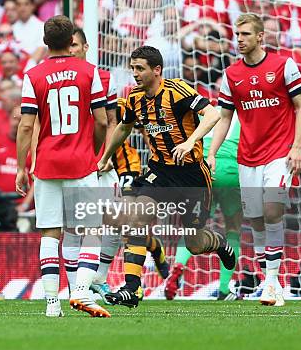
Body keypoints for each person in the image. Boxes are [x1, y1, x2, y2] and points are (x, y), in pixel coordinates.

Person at [98, 45, 237, 308]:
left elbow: (213, 114)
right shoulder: (133, 98)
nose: (135, 74)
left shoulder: (177, 90)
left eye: (140, 69)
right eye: (133, 69)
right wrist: (106, 157)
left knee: (195, 243)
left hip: (192, 174)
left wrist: (190, 142)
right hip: (159, 171)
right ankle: (131, 288)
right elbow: (124, 127)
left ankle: (219, 244)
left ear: (157, 70)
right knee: (135, 217)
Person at [210, 13, 301, 307]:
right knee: (254, 219)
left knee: (272, 209)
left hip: (280, 153)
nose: (238, 39)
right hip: (247, 157)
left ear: (259, 37)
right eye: (236, 34)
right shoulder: (231, 75)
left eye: (244, 34)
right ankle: (273, 281)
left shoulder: (283, 66)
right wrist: (212, 152)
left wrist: (297, 147)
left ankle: (269, 282)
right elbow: (225, 116)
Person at [16, 15, 109, 318]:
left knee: (50, 233)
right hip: (81, 162)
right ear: (72, 41)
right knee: (91, 229)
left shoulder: (33, 76)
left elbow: (27, 126)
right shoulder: (89, 72)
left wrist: (21, 167)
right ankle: (81, 292)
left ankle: (51, 303)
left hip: (47, 164)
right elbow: (103, 120)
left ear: (45, 42)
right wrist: (92, 151)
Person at [69, 29, 169, 303]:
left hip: (116, 164)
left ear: (86, 47)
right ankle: (149, 247)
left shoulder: (103, 79)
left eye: (75, 45)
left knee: (120, 223)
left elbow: (120, 122)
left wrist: (106, 156)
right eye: (66, 46)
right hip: (78, 163)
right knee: (81, 225)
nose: (70, 50)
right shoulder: (58, 81)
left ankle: (100, 279)